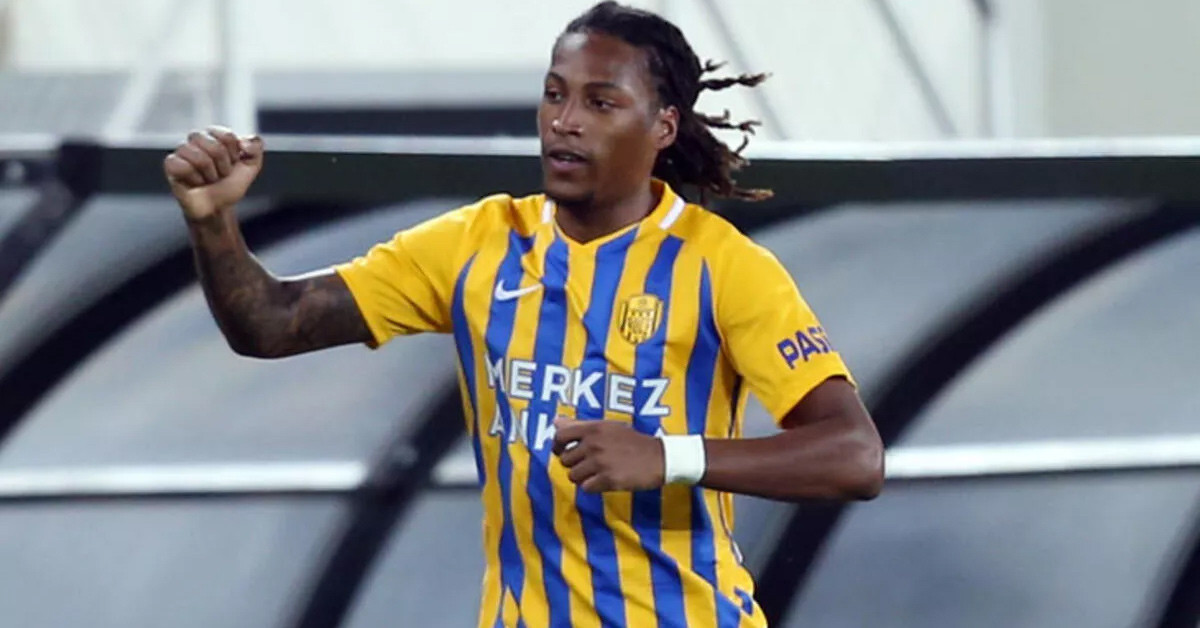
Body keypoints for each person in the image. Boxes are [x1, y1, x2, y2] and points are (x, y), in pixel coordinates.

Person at [163, 2, 883, 626]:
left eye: (601, 103)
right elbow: (271, 324)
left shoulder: (723, 267)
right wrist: (211, 221)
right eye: (554, 95)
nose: (565, 122)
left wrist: (668, 457)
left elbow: (854, 455)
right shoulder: (478, 243)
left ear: (663, 126)